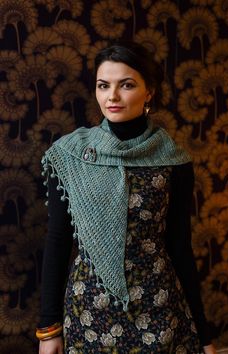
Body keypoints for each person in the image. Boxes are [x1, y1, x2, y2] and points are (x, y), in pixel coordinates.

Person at [37, 41, 217, 354]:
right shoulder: (70, 155)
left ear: (150, 92)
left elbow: (179, 246)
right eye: (103, 85)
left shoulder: (174, 159)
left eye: (127, 85)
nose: (112, 97)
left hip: (159, 308)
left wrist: (204, 335)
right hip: (89, 312)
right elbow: (57, 242)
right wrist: (48, 330)